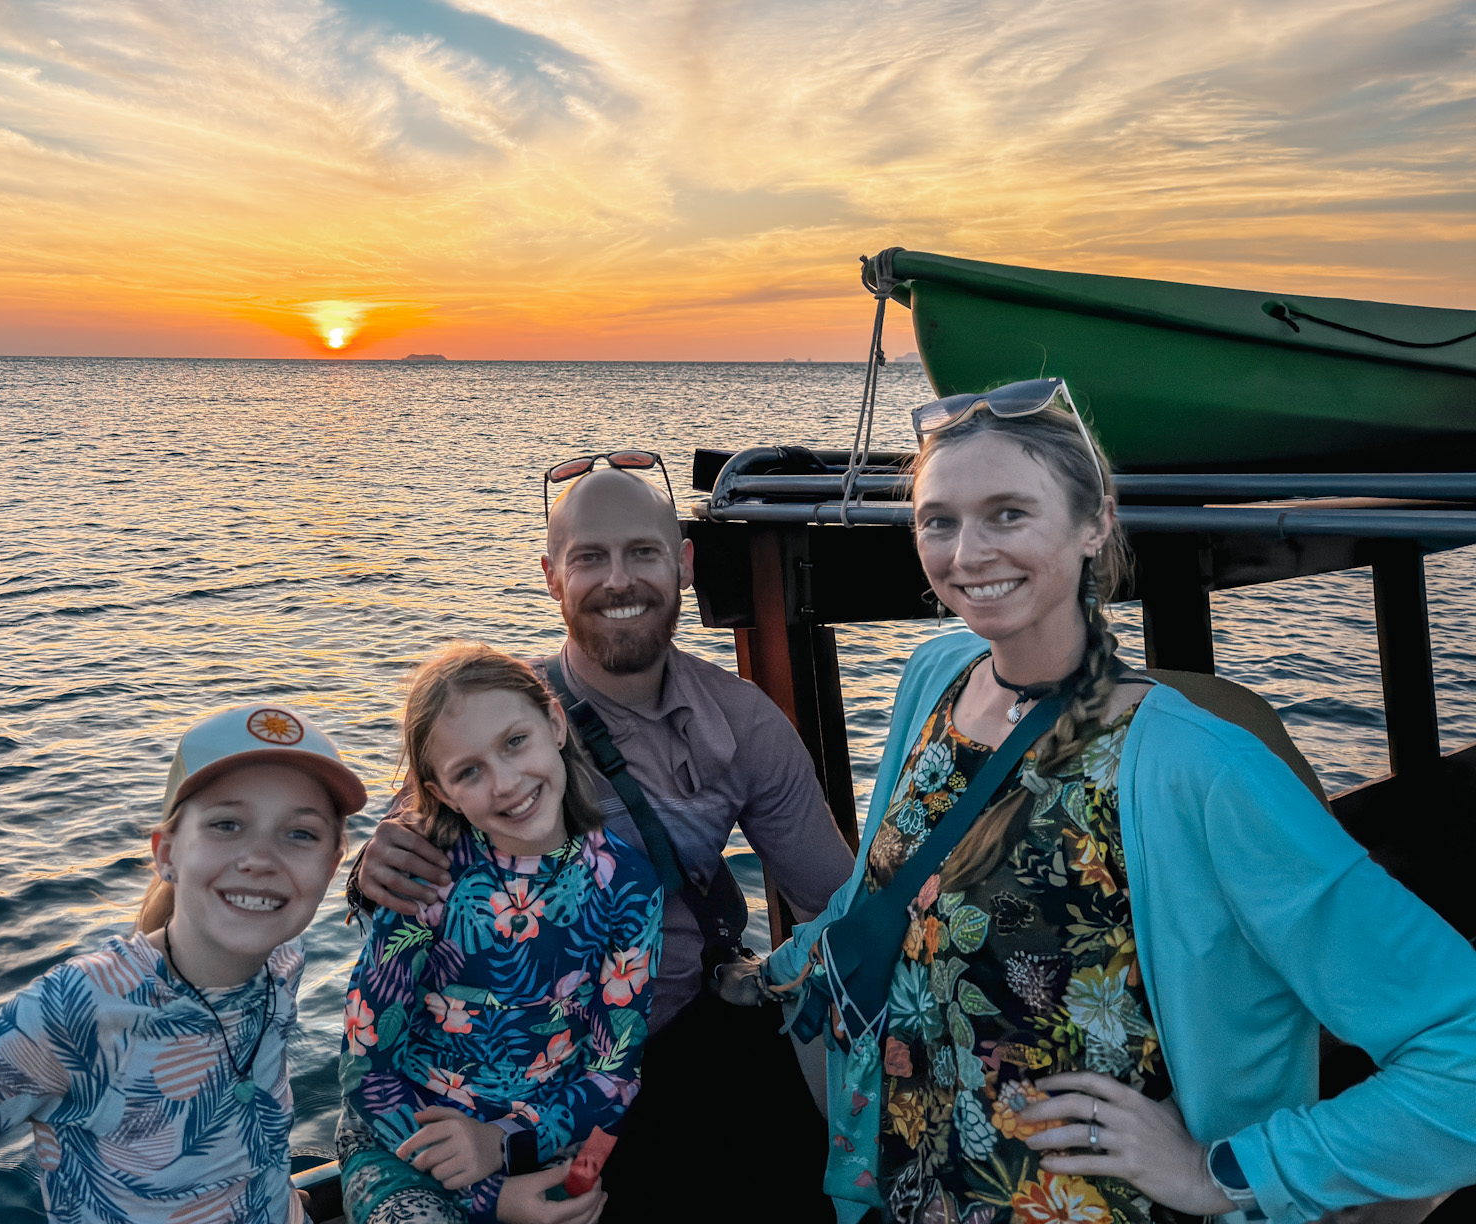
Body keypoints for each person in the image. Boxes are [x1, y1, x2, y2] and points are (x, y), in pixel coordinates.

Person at [718, 380, 1476, 1223]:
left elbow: (1462, 1049)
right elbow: (885, 899)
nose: (967, 553)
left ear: (1095, 523)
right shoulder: (936, 680)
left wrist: (1219, 1172)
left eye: (1009, 513)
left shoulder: (1198, 767)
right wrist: (763, 971)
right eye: (939, 521)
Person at [353, 458, 855, 1217]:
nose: (619, 580)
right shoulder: (490, 722)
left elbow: (836, 910)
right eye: (590, 557)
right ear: (552, 577)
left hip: (651, 1059)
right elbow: (374, 1020)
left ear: (684, 564)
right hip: (484, 1083)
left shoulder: (735, 735)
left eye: (642, 552)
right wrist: (372, 867)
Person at [0, 704, 369, 1224]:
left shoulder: (282, 960)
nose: (261, 859)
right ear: (166, 854)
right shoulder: (77, 1010)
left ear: (332, 865)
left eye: (300, 833)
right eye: (227, 824)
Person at [337, 643, 663, 1224]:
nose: (506, 783)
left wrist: (572, 1177)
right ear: (441, 792)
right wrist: (489, 1197)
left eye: (515, 741)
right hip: (401, 1141)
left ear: (555, 724)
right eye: (469, 771)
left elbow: (614, 1076)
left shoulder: (629, 887)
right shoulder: (429, 881)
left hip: (540, 1140)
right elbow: (366, 1069)